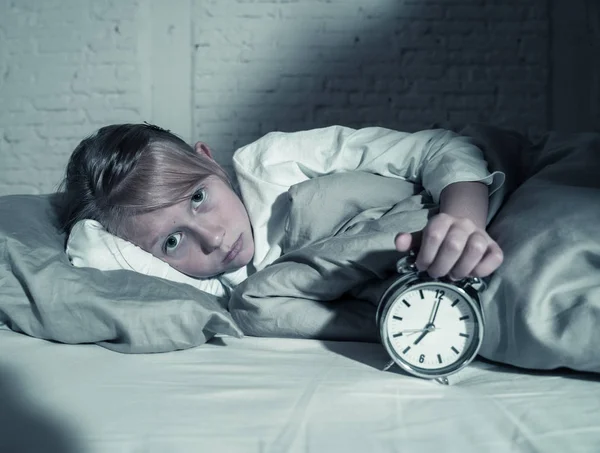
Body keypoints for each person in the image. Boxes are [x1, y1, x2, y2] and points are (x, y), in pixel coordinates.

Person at [59, 123, 505, 293]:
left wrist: (461, 223)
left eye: (198, 198)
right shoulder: (199, 289)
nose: (213, 238)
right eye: (172, 241)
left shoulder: (272, 162)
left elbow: (438, 148)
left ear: (209, 158)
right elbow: (91, 252)